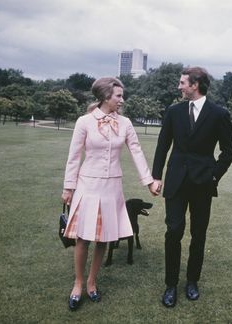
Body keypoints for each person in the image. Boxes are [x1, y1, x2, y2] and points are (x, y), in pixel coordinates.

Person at [61, 77, 157, 310]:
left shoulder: (125, 123)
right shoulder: (84, 121)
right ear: (105, 97)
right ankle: (78, 283)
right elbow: (74, 156)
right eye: (118, 96)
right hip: (88, 185)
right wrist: (68, 187)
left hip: (112, 186)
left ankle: (92, 283)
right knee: (83, 237)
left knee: (104, 237)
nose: (122, 100)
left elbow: (136, 151)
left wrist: (149, 181)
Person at [152, 67, 232, 307]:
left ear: (195, 84)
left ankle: (192, 281)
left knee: (198, 234)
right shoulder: (173, 111)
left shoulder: (219, 114)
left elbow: (229, 150)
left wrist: (214, 176)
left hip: (202, 184)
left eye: (182, 82)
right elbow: (162, 146)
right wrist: (156, 176)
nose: (179, 87)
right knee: (173, 231)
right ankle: (170, 285)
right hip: (176, 181)